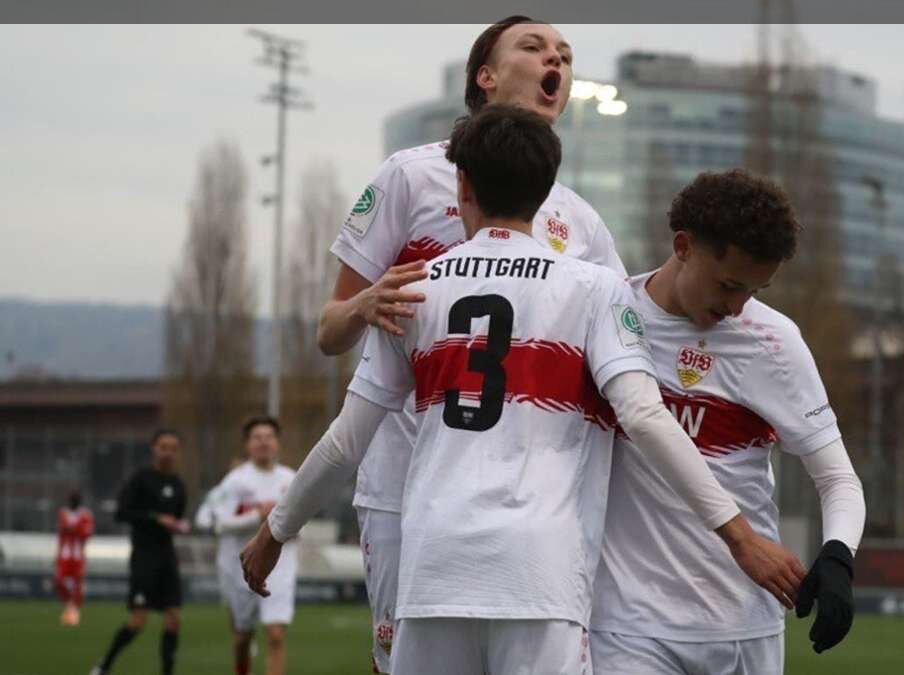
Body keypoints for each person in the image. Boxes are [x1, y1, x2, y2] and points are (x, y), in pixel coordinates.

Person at [242, 105, 803, 675]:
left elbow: (346, 442)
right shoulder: (596, 289)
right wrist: (740, 538)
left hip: (434, 567)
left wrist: (276, 530)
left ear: (463, 186)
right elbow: (646, 417)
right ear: (547, 191)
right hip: (541, 576)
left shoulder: (411, 291)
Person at [318, 17, 624, 673]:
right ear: (485, 76)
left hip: (527, 508)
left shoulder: (581, 220)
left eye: (565, 55)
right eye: (534, 48)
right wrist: (364, 307)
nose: (555, 61)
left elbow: (622, 353)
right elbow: (328, 329)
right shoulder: (409, 176)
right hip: (404, 481)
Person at [587, 170, 866, 674]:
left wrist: (839, 555)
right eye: (729, 285)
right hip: (627, 625)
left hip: (745, 624)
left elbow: (837, 477)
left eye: (754, 291)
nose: (737, 308)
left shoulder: (774, 341)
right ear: (683, 246)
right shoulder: (608, 316)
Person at [91, 429, 188, 675]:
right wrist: (156, 518)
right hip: (144, 557)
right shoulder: (140, 479)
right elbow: (121, 513)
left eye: (173, 448)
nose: (168, 453)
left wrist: (178, 525)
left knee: (174, 619)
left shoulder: (178, 485)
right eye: (163, 447)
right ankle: (104, 665)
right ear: (154, 448)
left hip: (167, 558)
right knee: (138, 622)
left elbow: (177, 517)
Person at [213, 416, 297, 675]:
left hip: (281, 566)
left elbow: (301, 523)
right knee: (242, 638)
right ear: (247, 444)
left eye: (269, 437)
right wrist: (257, 516)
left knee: (275, 634)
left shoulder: (292, 479)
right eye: (257, 437)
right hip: (243, 567)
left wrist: (281, 522)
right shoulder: (235, 481)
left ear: (278, 443)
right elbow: (221, 524)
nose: (264, 442)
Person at [54, 489, 94, 626]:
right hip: (64, 554)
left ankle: (74, 612)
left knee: (78, 584)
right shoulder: (63, 513)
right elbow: (62, 529)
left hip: (78, 555)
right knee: (58, 580)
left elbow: (86, 533)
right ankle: (69, 605)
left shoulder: (86, 514)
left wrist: (72, 529)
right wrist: (75, 529)